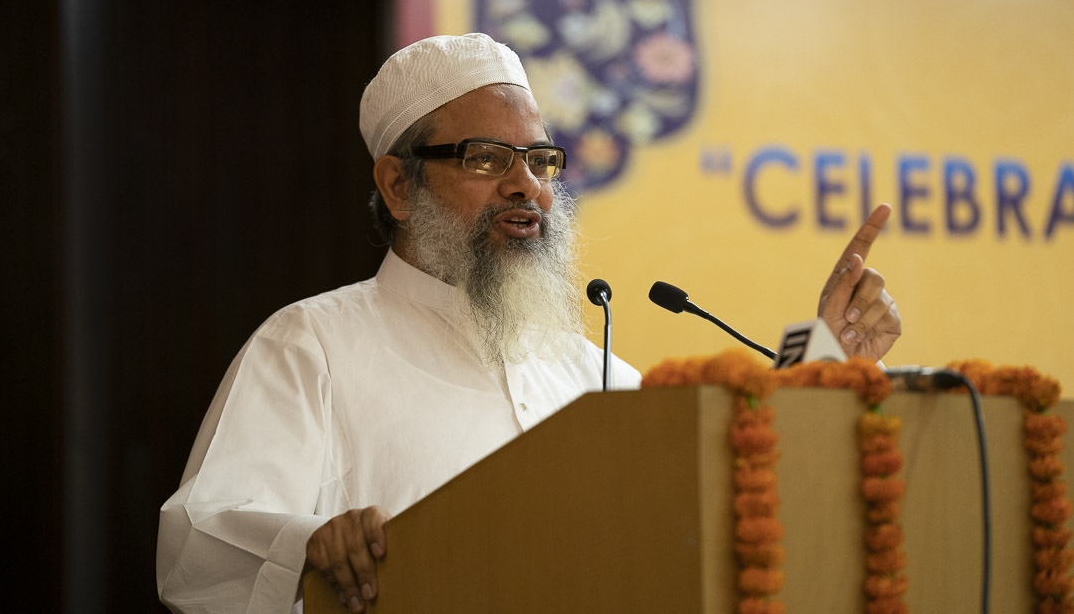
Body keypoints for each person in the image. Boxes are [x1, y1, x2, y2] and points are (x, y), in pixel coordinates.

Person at [156, 33, 901, 614]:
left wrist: (830, 364)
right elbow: (200, 541)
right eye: (487, 158)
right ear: (397, 184)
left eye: (541, 160)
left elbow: (720, 518)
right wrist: (310, 544)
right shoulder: (312, 346)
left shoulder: (598, 375)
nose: (527, 187)